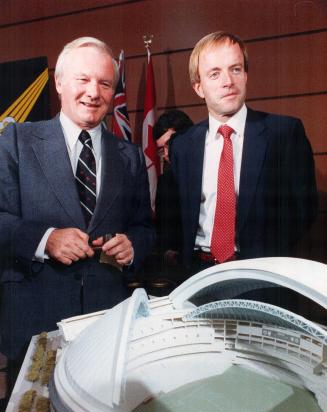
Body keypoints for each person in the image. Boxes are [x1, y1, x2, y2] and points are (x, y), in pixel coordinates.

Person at [0, 38, 154, 372]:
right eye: (82, 79)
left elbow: (144, 227)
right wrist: (45, 239)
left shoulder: (129, 156)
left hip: (105, 324)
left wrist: (132, 246)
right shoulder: (16, 140)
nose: (93, 92)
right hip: (34, 318)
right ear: (59, 83)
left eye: (105, 83)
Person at [170, 31, 318, 274]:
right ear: (199, 87)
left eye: (236, 69)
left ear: (246, 75)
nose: (228, 81)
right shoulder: (183, 145)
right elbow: (174, 218)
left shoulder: (284, 133)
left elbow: (303, 211)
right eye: (215, 74)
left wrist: (265, 258)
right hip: (197, 274)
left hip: (264, 275)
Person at [153, 109, 193, 264]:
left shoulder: (215, 172)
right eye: (161, 150)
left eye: (170, 144)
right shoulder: (165, 183)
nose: (167, 155)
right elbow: (163, 235)